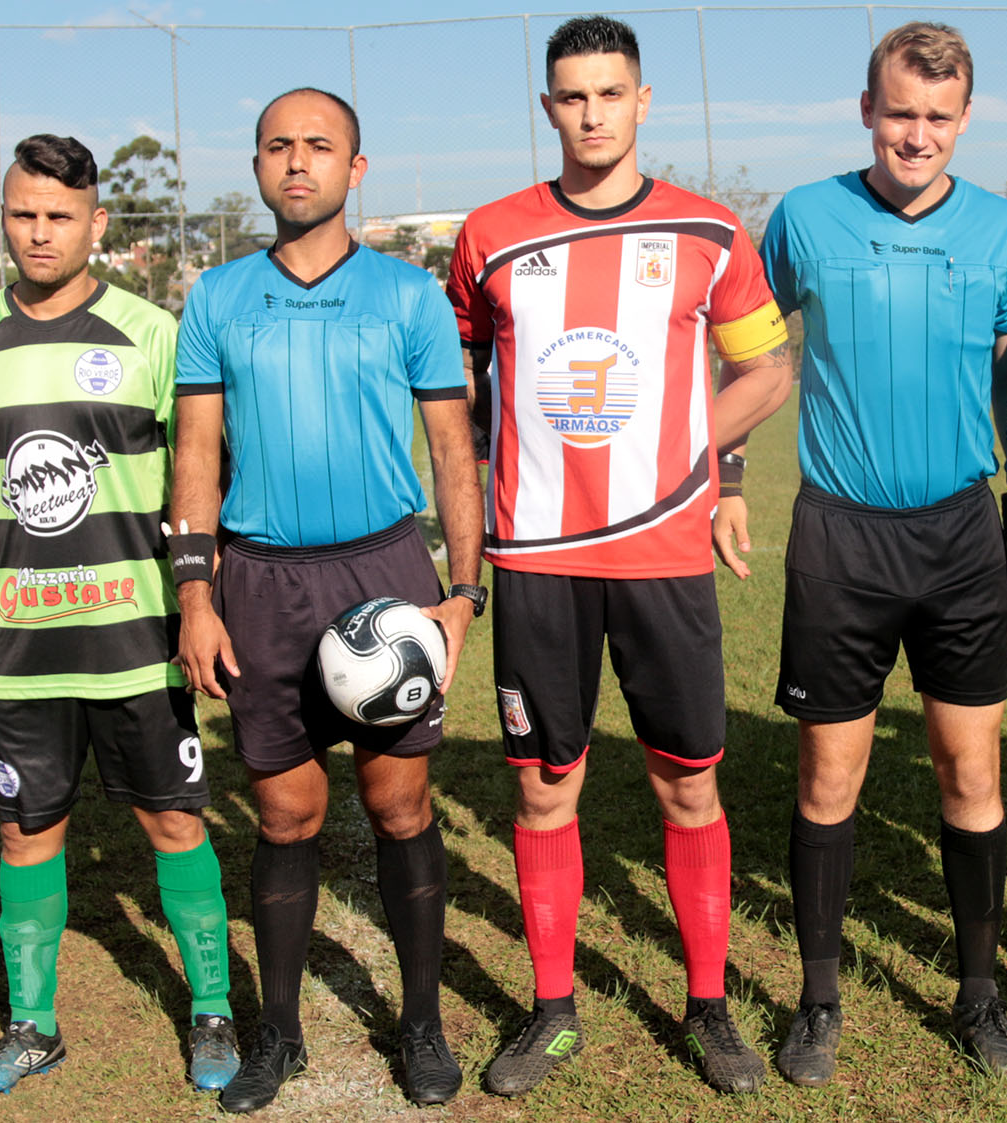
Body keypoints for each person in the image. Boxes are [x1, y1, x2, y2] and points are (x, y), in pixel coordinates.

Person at [446, 14, 796, 1097]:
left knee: (688, 783)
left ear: (642, 102)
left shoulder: (708, 230)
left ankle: (709, 1004)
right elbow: (455, 388)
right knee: (544, 788)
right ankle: (553, 1008)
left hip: (662, 556)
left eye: (610, 93)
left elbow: (767, 369)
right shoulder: (489, 235)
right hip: (537, 562)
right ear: (548, 106)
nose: (591, 114)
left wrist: (693, 461)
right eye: (572, 95)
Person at [170, 87, 484, 1111]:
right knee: (285, 811)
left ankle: (423, 1022)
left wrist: (462, 593)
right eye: (278, 146)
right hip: (259, 580)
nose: (297, 162)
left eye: (319, 146)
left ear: (356, 169)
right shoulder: (217, 298)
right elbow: (196, 452)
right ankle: (280, 1033)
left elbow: (452, 450)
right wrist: (196, 593)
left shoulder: (407, 294)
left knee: (399, 804)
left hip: (382, 577)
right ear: (257, 166)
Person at [0, 134, 236, 1099]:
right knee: (25, 832)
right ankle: (34, 1028)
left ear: (97, 223)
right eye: (24, 214)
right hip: (20, 641)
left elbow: (198, 474)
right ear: (3, 219)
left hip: (135, 633)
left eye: (60, 215)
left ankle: (213, 1008)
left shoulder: (152, 332)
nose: (40, 232)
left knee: (173, 820)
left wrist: (199, 598)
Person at [750, 20, 1007, 1086]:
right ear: (867, 109)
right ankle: (818, 999)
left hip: (961, 533)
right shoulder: (804, 216)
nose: (918, 135)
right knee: (830, 773)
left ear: (965, 119)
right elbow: (745, 350)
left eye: (938, 117)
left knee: (971, 769)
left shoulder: (1000, 230)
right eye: (901, 113)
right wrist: (724, 477)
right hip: (840, 534)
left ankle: (978, 993)